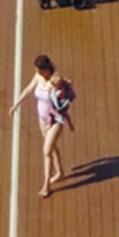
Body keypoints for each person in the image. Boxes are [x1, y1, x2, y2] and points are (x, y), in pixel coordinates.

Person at [9, 54, 72, 198]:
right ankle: (60, 172)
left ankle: (46, 186)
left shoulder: (55, 82)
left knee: (46, 151)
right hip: (42, 120)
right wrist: (16, 104)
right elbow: (29, 89)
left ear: (45, 69)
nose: (37, 72)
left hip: (54, 121)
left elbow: (64, 98)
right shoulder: (38, 77)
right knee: (52, 147)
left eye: (39, 70)